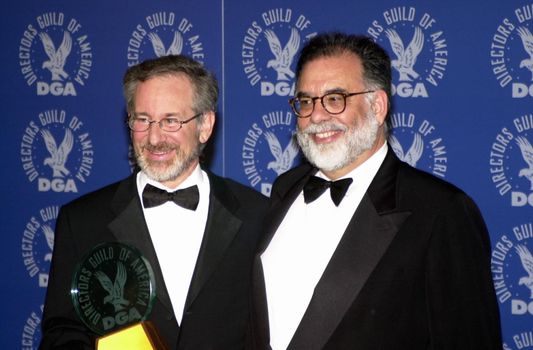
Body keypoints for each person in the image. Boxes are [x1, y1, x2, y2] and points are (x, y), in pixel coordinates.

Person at [247, 33, 502, 349]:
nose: (316, 116)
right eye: (306, 101)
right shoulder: (285, 189)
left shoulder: (441, 212)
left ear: (378, 106)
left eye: (335, 99)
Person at [40, 55, 268, 349]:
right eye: (142, 120)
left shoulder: (257, 215)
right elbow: (63, 334)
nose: (154, 137)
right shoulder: (82, 221)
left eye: (171, 120)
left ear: (205, 125)